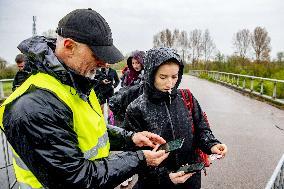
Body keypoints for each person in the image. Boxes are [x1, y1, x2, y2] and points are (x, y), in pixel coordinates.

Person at [0, 9, 169, 189]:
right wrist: (140, 159)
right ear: (69, 46)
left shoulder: (77, 82)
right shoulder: (33, 105)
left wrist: (130, 139)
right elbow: (76, 179)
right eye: (97, 55)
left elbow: (91, 132)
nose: (104, 63)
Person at [124, 47, 228, 189]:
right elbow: (135, 156)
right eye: (163, 77)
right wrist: (165, 178)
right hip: (156, 183)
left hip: (190, 178)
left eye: (174, 76)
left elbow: (202, 128)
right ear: (150, 74)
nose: (170, 83)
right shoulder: (136, 109)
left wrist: (212, 144)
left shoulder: (187, 97)